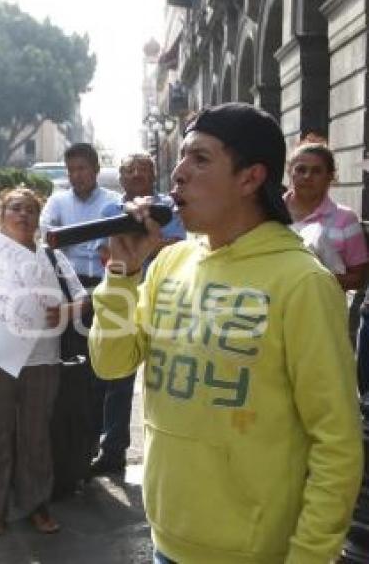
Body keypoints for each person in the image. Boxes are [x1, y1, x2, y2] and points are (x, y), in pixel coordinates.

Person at [88, 103, 363, 563]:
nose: (177, 175)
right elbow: (109, 363)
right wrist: (121, 272)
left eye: (200, 159)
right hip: (165, 542)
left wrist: (310, 556)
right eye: (181, 159)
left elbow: (337, 443)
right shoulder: (170, 263)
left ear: (250, 178)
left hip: (257, 551)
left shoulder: (302, 283)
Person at [0, 187, 86, 536]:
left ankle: (37, 504)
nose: (23, 216)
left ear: (38, 219)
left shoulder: (51, 257)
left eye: (30, 211)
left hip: (43, 360)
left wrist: (68, 311)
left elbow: (83, 297)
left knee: (36, 436)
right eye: (15, 208)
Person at [87, 154, 185, 477]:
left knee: (166, 379)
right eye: (130, 171)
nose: (137, 176)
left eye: (144, 171)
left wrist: (147, 246)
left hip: (164, 300)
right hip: (121, 296)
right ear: (122, 179)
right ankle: (111, 448)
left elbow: (178, 247)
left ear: (154, 176)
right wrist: (137, 253)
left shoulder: (169, 208)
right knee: (116, 377)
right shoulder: (111, 212)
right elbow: (105, 251)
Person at [39, 143, 121, 488]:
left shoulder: (111, 204)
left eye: (83, 169)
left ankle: (90, 450)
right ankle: (65, 452)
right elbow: (48, 240)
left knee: (99, 374)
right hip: (68, 293)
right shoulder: (57, 202)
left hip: (105, 292)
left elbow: (115, 245)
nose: (77, 176)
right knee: (69, 373)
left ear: (96, 168)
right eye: (72, 170)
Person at [284, 142, 368, 290]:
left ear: (330, 176)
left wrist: (314, 277)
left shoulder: (346, 219)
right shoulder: (268, 212)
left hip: (322, 309)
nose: (307, 176)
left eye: (316, 171)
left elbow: (359, 279)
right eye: (301, 169)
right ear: (290, 172)